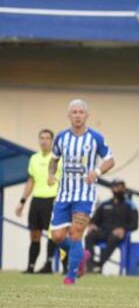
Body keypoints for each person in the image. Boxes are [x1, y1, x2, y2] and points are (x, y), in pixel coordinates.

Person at [48, 99, 115, 285]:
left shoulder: (95, 138)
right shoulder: (61, 137)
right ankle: (81, 256)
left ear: (87, 115)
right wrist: (50, 174)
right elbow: (53, 160)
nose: (77, 116)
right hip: (64, 194)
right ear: (69, 115)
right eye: (74, 112)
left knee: (76, 233)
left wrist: (98, 172)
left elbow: (110, 160)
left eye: (81, 112)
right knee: (57, 237)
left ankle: (71, 276)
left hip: (84, 195)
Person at [15, 129, 60, 274]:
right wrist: (22, 201)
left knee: (53, 234)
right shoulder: (34, 158)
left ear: (52, 141)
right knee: (34, 234)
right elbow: (31, 181)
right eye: (42, 138)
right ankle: (31, 266)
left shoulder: (58, 158)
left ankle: (48, 265)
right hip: (37, 199)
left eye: (47, 138)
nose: (44, 141)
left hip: (53, 199)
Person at [84, 179, 138, 272]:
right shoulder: (105, 204)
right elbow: (95, 219)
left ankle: (99, 265)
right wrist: (92, 224)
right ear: (112, 189)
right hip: (103, 231)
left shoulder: (130, 205)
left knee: (113, 238)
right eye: (116, 187)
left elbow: (134, 224)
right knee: (89, 237)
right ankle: (90, 265)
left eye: (120, 187)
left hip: (117, 234)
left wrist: (123, 229)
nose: (118, 190)